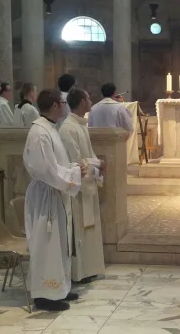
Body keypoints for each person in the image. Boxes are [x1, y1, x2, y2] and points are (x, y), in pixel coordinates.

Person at [23, 89, 85, 312]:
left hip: (54, 193)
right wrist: (75, 175)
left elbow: (56, 164)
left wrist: (75, 168)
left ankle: (59, 288)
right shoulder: (40, 132)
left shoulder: (50, 128)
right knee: (47, 245)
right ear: (55, 105)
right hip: (46, 196)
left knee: (60, 244)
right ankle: (44, 295)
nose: (66, 106)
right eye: (63, 102)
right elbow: (46, 170)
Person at [59, 89, 105, 284]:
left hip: (88, 185)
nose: (91, 100)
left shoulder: (81, 125)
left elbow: (90, 155)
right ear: (81, 102)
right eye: (88, 98)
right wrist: (98, 165)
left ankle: (89, 269)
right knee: (79, 230)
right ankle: (79, 273)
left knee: (90, 228)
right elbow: (76, 161)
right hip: (77, 189)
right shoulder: (68, 128)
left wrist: (97, 165)